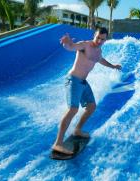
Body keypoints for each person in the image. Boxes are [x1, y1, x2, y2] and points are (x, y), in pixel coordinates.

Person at [52, 27, 122, 155]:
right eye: (98, 38)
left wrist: (113, 66)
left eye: (103, 39)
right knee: (73, 109)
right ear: (94, 35)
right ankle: (58, 144)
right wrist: (67, 43)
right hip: (73, 80)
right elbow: (72, 47)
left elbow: (100, 60)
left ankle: (77, 130)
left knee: (91, 106)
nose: (99, 41)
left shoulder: (98, 51)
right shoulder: (85, 45)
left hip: (83, 82)